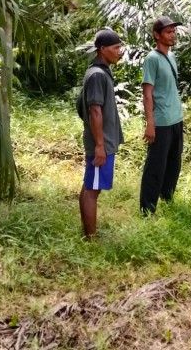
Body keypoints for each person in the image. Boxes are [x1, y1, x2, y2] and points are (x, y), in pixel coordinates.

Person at [78, 29, 124, 238]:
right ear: (103, 49)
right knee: (92, 190)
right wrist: (99, 145)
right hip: (101, 142)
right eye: (116, 47)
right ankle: (91, 238)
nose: (119, 51)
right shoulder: (97, 75)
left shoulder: (100, 71)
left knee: (90, 185)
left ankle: (87, 233)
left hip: (102, 141)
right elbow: (94, 110)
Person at [140, 16, 184, 215]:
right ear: (157, 35)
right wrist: (150, 124)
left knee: (174, 162)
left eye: (173, 31)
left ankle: (167, 198)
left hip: (176, 118)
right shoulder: (152, 59)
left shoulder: (172, 56)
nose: (172, 35)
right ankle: (147, 208)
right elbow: (147, 93)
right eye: (168, 32)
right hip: (162, 121)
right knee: (156, 166)